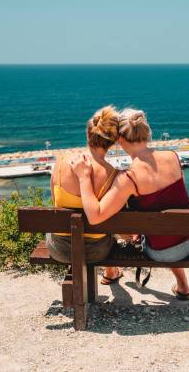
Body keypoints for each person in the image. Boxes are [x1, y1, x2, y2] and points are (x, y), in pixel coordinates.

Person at [71, 108, 189, 300]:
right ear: (146, 133)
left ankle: (111, 272)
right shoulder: (172, 156)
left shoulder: (128, 178)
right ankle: (183, 286)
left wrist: (83, 177)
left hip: (164, 252)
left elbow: (95, 215)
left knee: (138, 225)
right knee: (170, 225)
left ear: (120, 140)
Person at [47, 105, 123, 285]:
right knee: (109, 232)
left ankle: (106, 272)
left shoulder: (61, 162)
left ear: (88, 133)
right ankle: (111, 272)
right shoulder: (114, 175)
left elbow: (54, 203)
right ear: (114, 141)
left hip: (59, 249)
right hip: (96, 252)